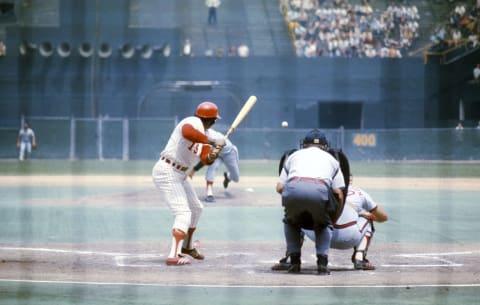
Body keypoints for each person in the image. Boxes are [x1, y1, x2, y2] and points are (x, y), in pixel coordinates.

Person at [152, 101, 226, 266]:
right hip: (167, 170)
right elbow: (187, 132)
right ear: (212, 119)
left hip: (180, 173)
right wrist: (213, 141)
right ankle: (174, 255)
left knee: (196, 208)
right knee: (183, 212)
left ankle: (187, 246)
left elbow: (206, 160)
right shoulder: (192, 122)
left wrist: (216, 150)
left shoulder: (207, 134)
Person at [276, 129, 345, 275]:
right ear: (325, 146)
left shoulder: (293, 155)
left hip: (293, 187)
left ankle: (294, 263)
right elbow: (338, 193)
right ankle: (322, 264)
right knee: (323, 224)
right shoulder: (332, 160)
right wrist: (332, 217)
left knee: (291, 222)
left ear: (304, 145)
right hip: (320, 190)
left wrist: (295, 199)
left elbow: (280, 187)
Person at [188, 128, 240, 202]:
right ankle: (209, 194)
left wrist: (193, 170)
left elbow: (208, 158)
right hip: (217, 154)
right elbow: (207, 159)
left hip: (229, 153)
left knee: (236, 178)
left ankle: (228, 177)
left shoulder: (210, 136)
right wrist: (194, 170)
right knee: (212, 168)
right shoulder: (201, 139)